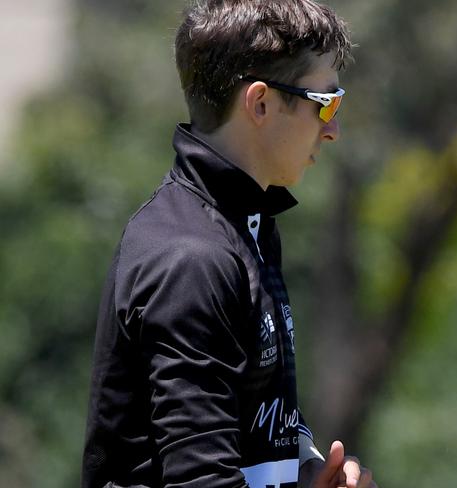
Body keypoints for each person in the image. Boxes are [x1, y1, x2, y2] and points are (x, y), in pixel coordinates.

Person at [82, 1, 377, 487]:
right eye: (325, 102)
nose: (334, 128)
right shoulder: (191, 259)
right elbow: (202, 482)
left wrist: (304, 474)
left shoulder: (248, 224)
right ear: (260, 103)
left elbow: (246, 435)